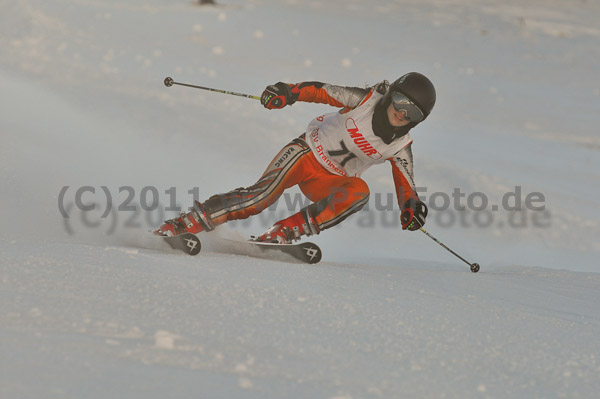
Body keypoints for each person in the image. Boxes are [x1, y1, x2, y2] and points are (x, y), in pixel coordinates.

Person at [155, 72, 435, 243]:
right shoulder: (364, 100)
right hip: (305, 154)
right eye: (400, 102)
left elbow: (406, 185)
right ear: (391, 97)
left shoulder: (400, 145)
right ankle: (188, 221)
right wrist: (288, 92)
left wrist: (411, 208)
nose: (402, 114)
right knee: (259, 198)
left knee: (359, 192)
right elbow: (322, 91)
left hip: (330, 181)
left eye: (413, 114)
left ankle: (286, 232)